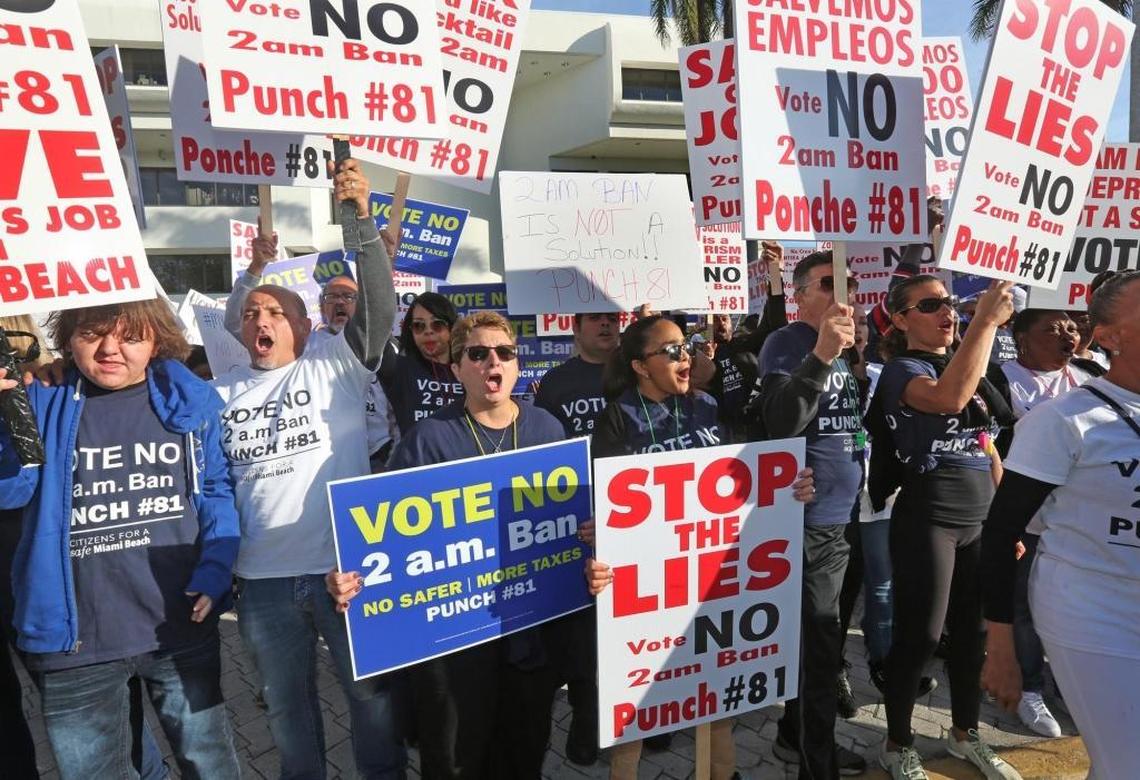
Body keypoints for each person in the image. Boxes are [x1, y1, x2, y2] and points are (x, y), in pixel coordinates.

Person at [213, 159, 405, 779]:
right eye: (250, 314)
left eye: (275, 312)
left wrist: (362, 224)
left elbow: (377, 304)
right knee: (286, 712)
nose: (261, 320)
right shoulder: (221, 392)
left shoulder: (336, 366)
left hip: (344, 571)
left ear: (305, 324)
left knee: (371, 701)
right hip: (263, 584)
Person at [0, 301, 242, 780]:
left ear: (157, 339)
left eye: (129, 335)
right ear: (68, 336)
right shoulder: (40, 400)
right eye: (92, 334)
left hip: (177, 626)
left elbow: (215, 492)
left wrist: (216, 570)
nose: (110, 349)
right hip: (73, 644)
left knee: (210, 764)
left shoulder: (190, 402)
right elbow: (12, 489)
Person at [328, 311, 568, 779]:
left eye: (504, 352)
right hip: (454, 649)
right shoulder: (428, 440)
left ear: (517, 364)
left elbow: (567, 527)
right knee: (455, 760)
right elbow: (388, 541)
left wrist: (588, 545)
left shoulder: (547, 430)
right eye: (476, 354)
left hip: (529, 637)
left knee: (523, 753)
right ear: (456, 369)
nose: (491, 362)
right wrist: (349, 579)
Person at [584, 314, 815, 780]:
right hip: (646, 590)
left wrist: (789, 486)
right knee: (635, 713)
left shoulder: (709, 407)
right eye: (669, 350)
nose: (684, 356)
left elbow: (743, 479)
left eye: (686, 346)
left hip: (710, 580)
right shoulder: (616, 418)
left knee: (714, 698)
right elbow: (599, 504)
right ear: (640, 366)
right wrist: (595, 535)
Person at [981, 271, 1140, 779]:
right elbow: (1003, 531)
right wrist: (1001, 648)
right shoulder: (1064, 419)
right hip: (1092, 609)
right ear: (1109, 336)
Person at [871, 276, 1020, 780]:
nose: (947, 313)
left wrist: (1005, 522)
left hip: (979, 519)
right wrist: (983, 321)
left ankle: (965, 735)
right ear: (899, 319)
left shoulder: (972, 363)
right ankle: (897, 743)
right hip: (928, 520)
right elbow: (950, 400)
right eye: (930, 305)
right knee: (920, 637)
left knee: (972, 637)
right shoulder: (901, 371)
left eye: (951, 304)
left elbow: (986, 442)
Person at [752, 250, 867, 778]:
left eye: (851, 282)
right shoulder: (788, 343)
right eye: (830, 282)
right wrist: (821, 354)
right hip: (810, 525)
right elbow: (780, 423)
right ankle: (816, 765)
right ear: (799, 295)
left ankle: (792, 737)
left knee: (825, 643)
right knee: (820, 652)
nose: (845, 292)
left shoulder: (847, 350)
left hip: (846, 519)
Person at [988, 309, 1099, 739]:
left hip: (1079, 519)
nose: (1066, 336)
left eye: (1071, 328)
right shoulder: (999, 379)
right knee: (1024, 607)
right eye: (1051, 329)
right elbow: (993, 444)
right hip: (1026, 518)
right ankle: (1030, 688)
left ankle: (1072, 686)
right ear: (1021, 338)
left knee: (1076, 605)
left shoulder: (1091, 374)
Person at [532, 311, 620, 766]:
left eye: (612, 320)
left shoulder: (636, 369)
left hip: (636, 522)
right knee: (585, 641)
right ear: (576, 328)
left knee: (635, 628)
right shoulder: (555, 383)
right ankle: (587, 725)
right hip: (580, 525)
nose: (605, 327)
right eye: (595, 321)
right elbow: (546, 459)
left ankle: (648, 720)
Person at [225, 246, 396, 471]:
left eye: (348, 296)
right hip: (322, 456)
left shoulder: (385, 344)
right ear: (321, 307)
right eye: (331, 297)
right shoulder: (304, 341)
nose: (340, 302)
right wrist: (256, 268)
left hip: (379, 453)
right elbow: (236, 322)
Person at [378, 292, 463, 436]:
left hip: (465, 457)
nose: (428, 331)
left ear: (452, 327)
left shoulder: (470, 368)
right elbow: (372, 324)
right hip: (417, 457)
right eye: (419, 325)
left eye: (437, 324)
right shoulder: (398, 369)